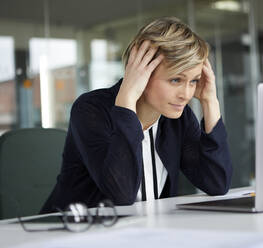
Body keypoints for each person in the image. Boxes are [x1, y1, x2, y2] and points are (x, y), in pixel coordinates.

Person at [40, 17, 232, 214]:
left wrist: (210, 101)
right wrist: (128, 98)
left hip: (143, 232)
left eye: (194, 81)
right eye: (176, 80)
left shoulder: (177, 118)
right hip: (72, 233)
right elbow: (122, 194)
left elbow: (217, 182)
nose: (186, 94)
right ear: (142, 72)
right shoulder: (91, 109)